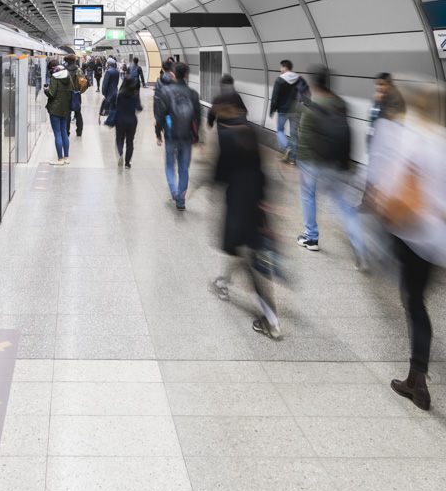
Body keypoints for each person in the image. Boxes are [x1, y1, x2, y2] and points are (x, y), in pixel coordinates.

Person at [369, 80, 446, 411]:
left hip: (411, 234)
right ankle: (416, 376)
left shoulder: (412, 138)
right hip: (437, 239)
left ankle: (417, 379)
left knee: (413, 302)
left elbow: (394, 184)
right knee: (417, 302)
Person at [210, 100, 281, 340]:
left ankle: (271, 321)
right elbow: (263, 174)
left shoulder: (227, 139)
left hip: (238, 207)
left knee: (249, 261)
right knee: (242, 253)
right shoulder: (252, 133)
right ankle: (222, 281)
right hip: (255, 207)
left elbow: (219, 176)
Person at [294, 71, 365, 266]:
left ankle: (311, 238)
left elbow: (305, 140)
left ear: (314, 85)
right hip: (337, 162)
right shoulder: (342, 105)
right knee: (343, 204)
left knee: (308, 196)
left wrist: (298, 162)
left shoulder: (311, 107)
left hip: (313, 163)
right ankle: (360, 246)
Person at [154, 62, 201, 209]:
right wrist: (195, 135)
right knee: (183, 168)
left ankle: (174, 191)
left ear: (173, 75)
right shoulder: (193, 94)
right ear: (186, 75)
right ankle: (181, 199)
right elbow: (197, 117)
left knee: (169, 164)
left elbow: (160, 115)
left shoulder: (166, 91)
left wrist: (158, 133)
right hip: (186, 136)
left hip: (170, 135)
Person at [268, 60, 306, 164]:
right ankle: (292, 159)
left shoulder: (280, 80)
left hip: (283, 111)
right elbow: (305, 93)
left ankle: (287, 147)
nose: (280, 70)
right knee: (294, 135)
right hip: (296, 110)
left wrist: (271, 110)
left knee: (280, 130)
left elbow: (275, 97)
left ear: (284, 68)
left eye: (281, 67)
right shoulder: (300, 79)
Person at [43, 62, 72, 164]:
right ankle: (66, 157)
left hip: (55, 109)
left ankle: (59, 158)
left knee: (57, 133)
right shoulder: (68, 75)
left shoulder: (54, 77)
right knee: (64, 132)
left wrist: (46, 89)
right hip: (66, 107)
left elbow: (51, 93)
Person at [368, 72, 406, 145]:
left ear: (390, 85)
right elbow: (372, 118)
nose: (378, 87)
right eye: (377, 84)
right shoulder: (380, 96)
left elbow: (386, 120)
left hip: (386, 142)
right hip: (376, 138)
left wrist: (380, 102)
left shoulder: (395, 98)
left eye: (382, 84)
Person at [114, 76, 142, 167]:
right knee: (130, 142)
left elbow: (116, 107)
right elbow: (139, 108)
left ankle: (120, 153)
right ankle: (127, 163)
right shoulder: (135, 95)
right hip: (132, 121)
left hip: (120, 120)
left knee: (119, 139)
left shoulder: (120, 95)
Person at [206, 74, 245, 141]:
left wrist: (210, 123)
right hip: (236, 127)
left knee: (224, 145)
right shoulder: (237, 96)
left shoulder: (217, 98)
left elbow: (212, 113)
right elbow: (243, 111)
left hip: (223, 127)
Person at [65, 55, 86, 137]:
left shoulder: (64, 70)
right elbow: (83, 81)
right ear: (74, 60)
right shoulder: (79, 70)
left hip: (66, 94)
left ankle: (67, 132)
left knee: (67, 114)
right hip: (76, 94)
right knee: (78, 113)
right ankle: (79, 132)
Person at [100, 58, 120, 126]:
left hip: (109, 91)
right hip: (115, 90)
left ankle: (110, 121)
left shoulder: (108, 72)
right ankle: (112, 120)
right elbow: (117, 82)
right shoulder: (116, 71)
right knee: (113, 105)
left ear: (108, 64)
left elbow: (105, 83)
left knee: (111, 106)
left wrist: (104, 92)